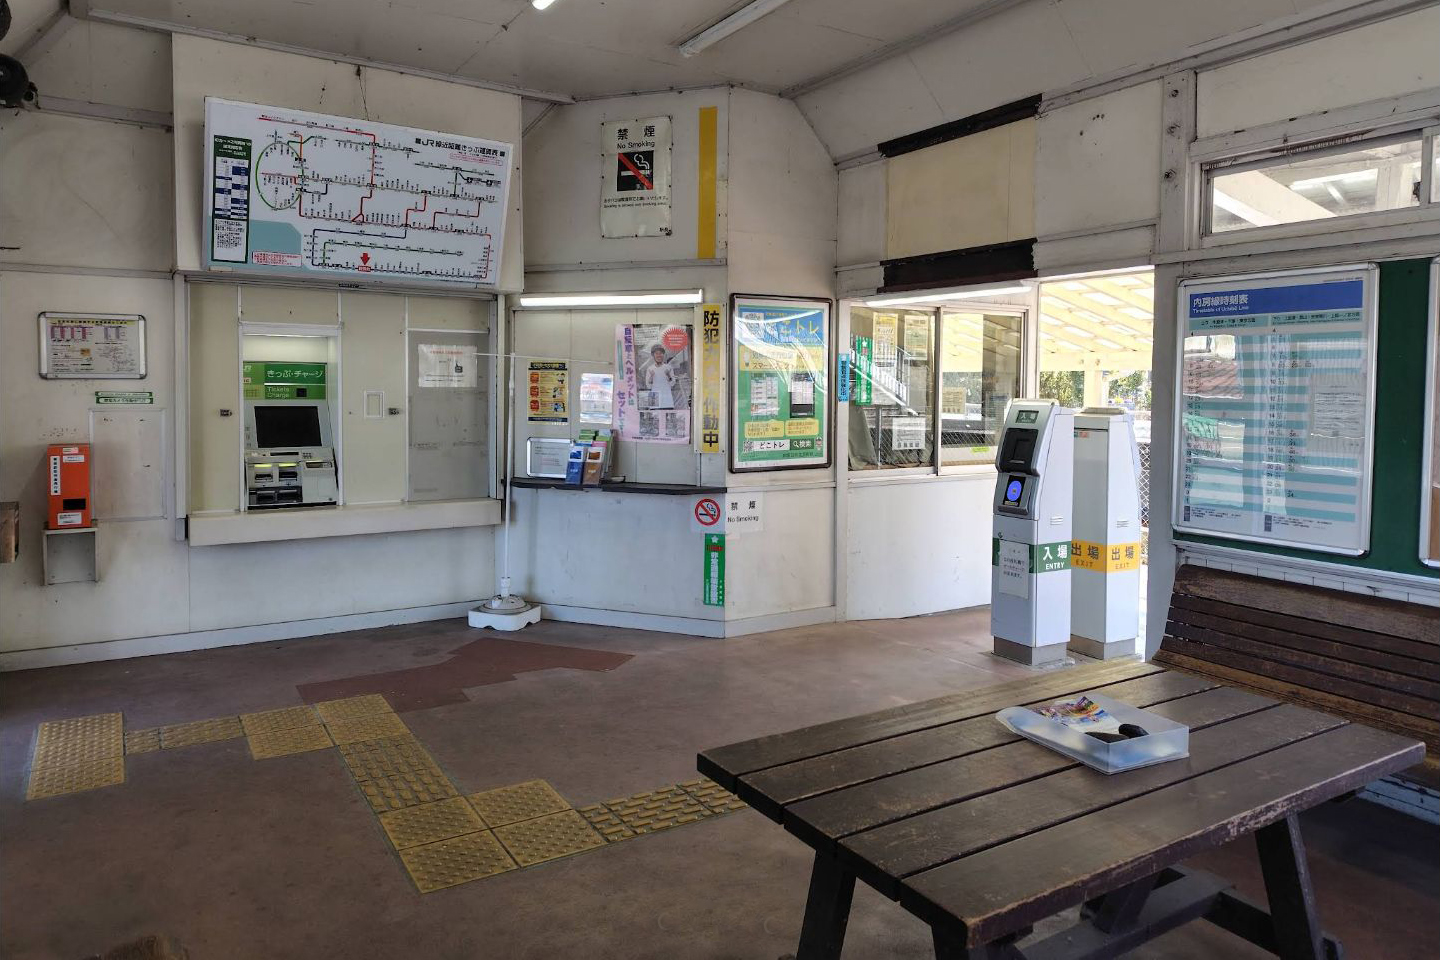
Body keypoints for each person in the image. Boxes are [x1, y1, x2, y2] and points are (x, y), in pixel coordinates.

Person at [644, 343, 675, 409]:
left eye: (661, 353)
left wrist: (668, 375)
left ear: (663, 355)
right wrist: (651, 377)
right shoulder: (650, 368)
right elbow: (648, 386)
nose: (659, 355)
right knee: (654, 414)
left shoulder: (668, 367)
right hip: (654, 398)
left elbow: (672, 384)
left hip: (667, 399)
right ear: (653, 355)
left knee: (668, 414)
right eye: (656, 353)